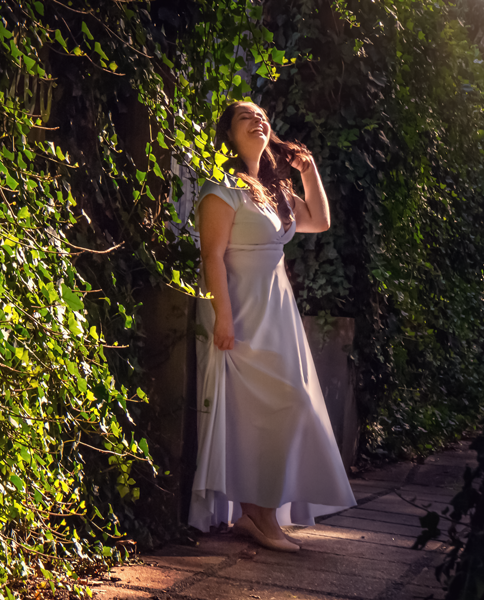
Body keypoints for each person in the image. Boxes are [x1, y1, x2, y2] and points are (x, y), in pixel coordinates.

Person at [187, 101, 356, 552]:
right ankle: (256, 514)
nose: (257, 120)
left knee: (292, 404)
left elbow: (319, 221)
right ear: (228, 134)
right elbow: (212, 257)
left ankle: (259, 513)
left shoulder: (274, 189)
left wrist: (308, 170)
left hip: (277, 311)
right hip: (241, 311)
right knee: (255, 411)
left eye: (261, 116)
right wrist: (223, 316)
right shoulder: (221, 188)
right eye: (245, 117)